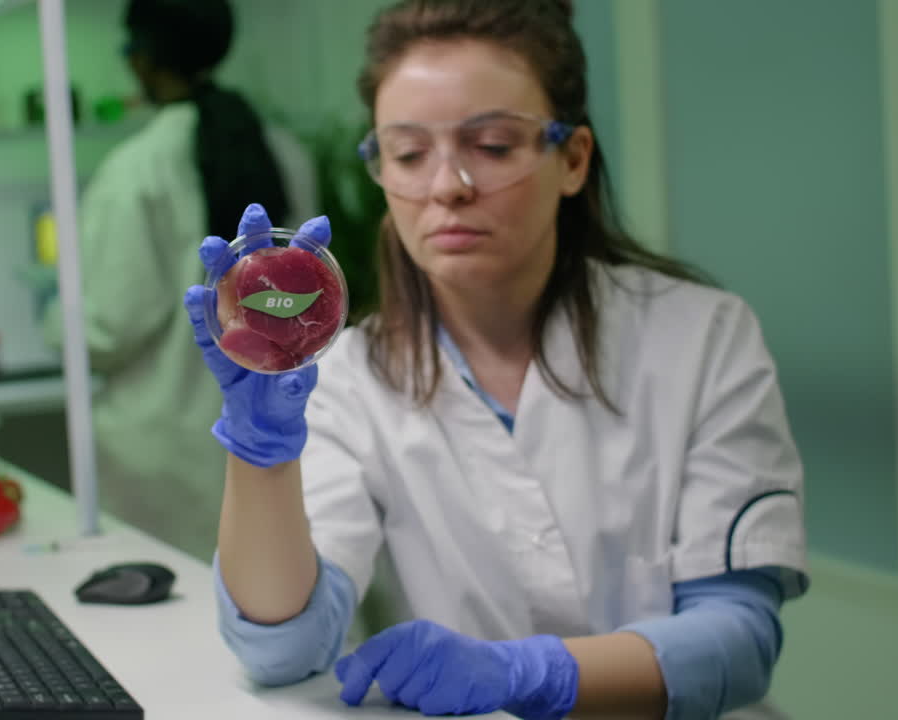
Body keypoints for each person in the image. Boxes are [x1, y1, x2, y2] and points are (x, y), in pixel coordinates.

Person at [183, 0, 809, 718]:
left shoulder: (700, 337)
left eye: (493, 145)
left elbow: (740, 636)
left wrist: (527, 673)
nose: (447, 185)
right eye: (410, 154)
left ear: (572, 159)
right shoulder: (350, 376)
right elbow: (281, 649)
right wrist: (261, 455)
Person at [44, 0, 317, 562]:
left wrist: (54, 317)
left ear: (142, 61)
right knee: (261, 603)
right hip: (266, 435)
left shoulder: (136, 170)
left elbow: (108, 328)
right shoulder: (284, 153)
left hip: (161, 459)